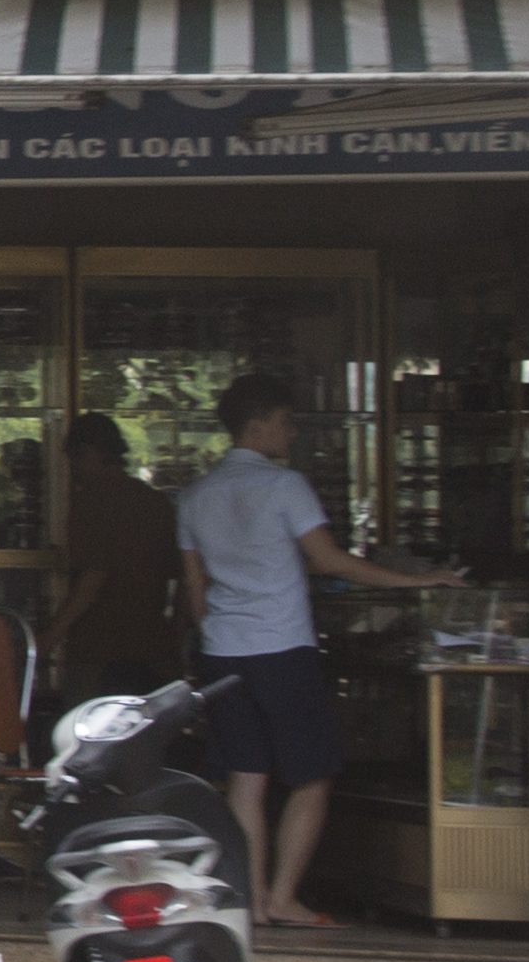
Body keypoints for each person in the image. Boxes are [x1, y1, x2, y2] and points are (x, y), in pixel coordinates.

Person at [176, 370, 459, 929]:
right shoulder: (286, 487)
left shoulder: (194, 495)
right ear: (256, 426)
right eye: (285, 422)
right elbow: (329, 561)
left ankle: (253, 899)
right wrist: (418, 580)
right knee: (311, 775)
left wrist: (217, 634)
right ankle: (283, 897)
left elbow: (193, 587)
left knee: (246, 778)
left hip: (223, 651)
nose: (293, 433)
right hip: (283, 648)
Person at [49, 409, 184, 716]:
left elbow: (91, 579)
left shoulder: (91, 503)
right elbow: (183, 578)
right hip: (154, 649)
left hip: (97, 652)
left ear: (89, 453)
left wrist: (51, 637)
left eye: (74, 460)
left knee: (86, 733)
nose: (73, 471)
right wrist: (175, 642)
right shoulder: (156, 503)